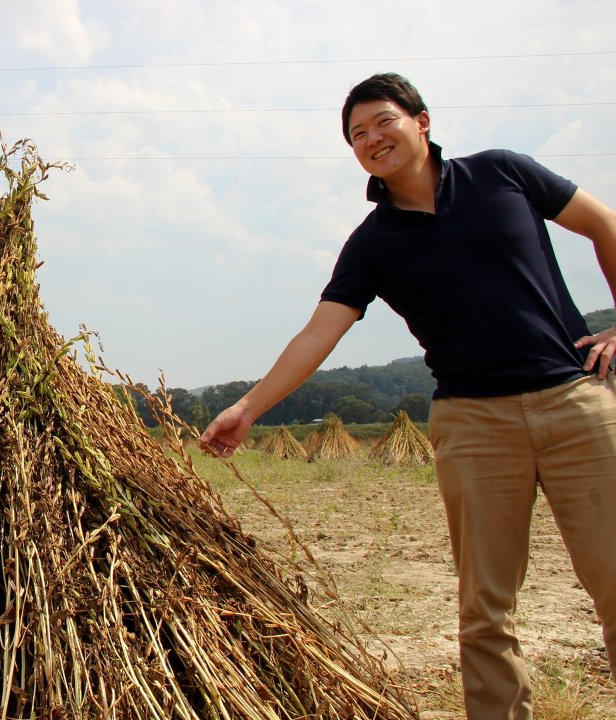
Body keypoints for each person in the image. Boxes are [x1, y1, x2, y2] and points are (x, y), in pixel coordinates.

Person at [199, 73, 616, 719]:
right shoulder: (373, 243)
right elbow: (318, 332)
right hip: (473, 424)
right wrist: (248, 407)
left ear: (422, 121)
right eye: (357, 134)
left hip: (576, 401)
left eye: (382, 121)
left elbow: (605, 225)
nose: (372, 138)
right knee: (485, 608)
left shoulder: (502, 173)